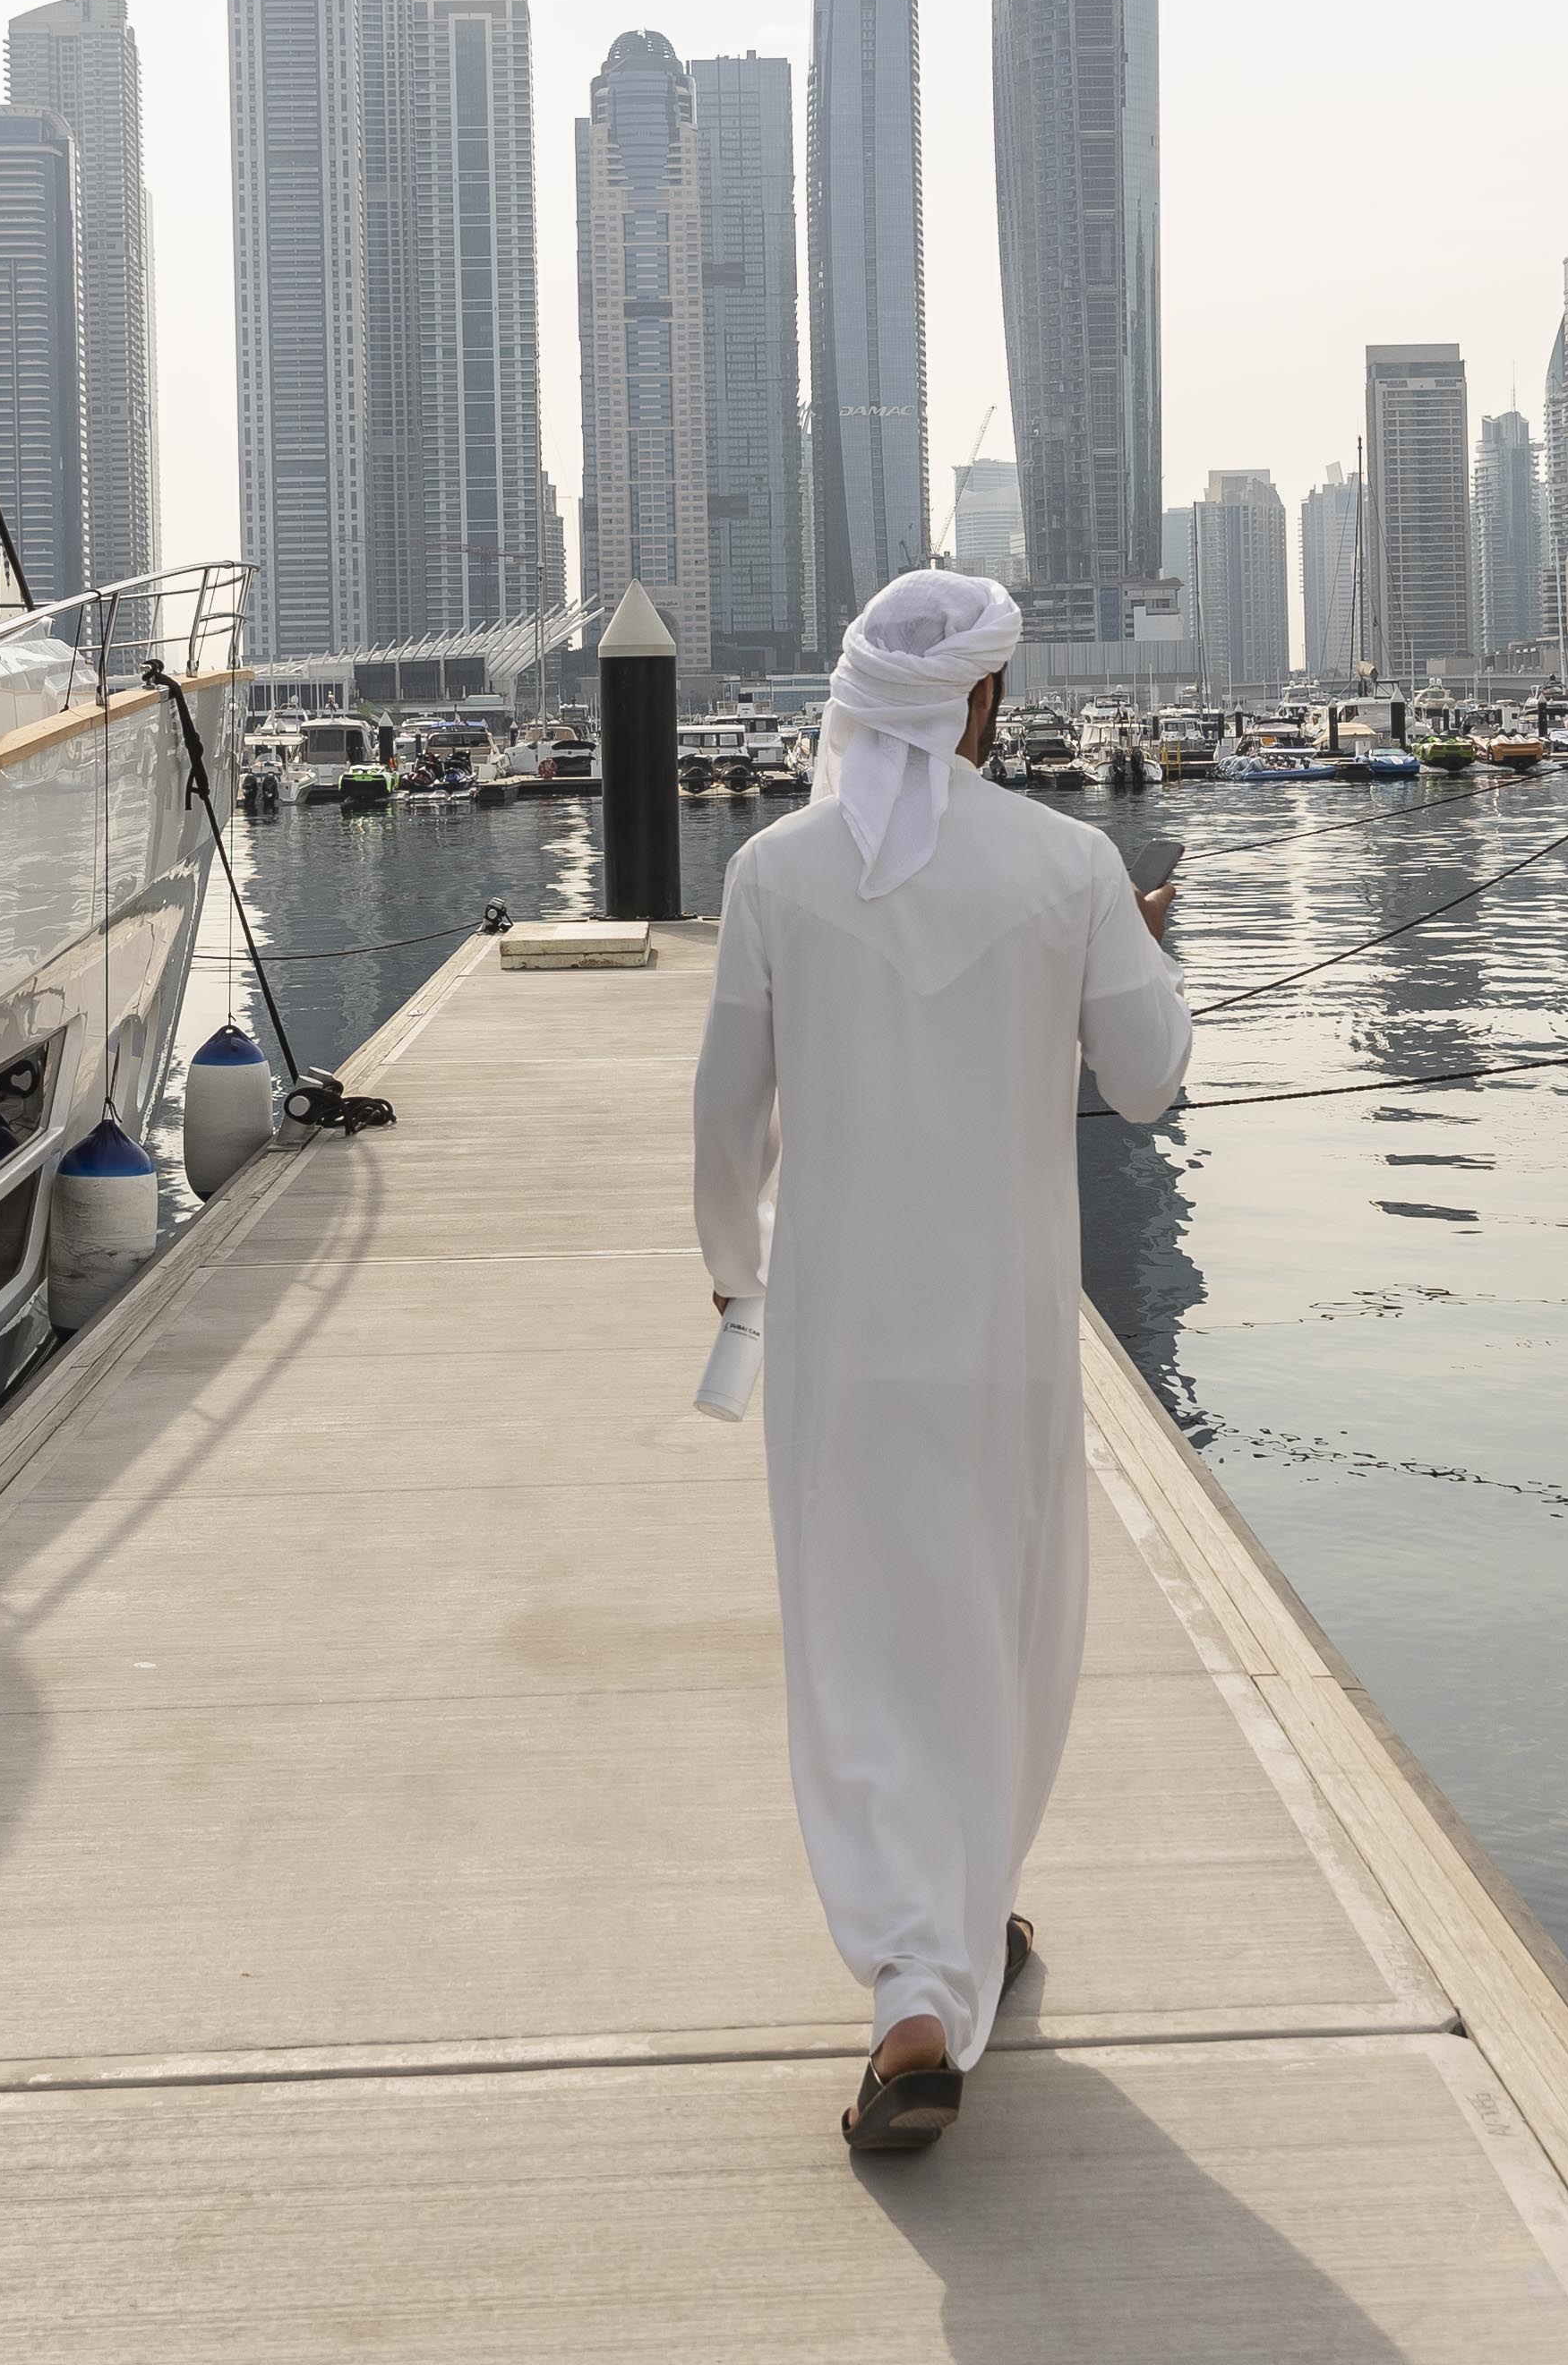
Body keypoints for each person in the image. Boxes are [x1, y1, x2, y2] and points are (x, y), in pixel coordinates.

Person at [690, 566, 1189, 2153]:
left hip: (840, 1330)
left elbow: (723, 1124)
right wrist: (1136, 949)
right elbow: (1150, 1083)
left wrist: (738, 1287)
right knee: (1003, 1617)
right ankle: (945, 1947)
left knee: (858, 1640)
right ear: (979, 701)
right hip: (1010, 1328)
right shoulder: (1071, 863)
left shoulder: (775, 871)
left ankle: (926, 1964)